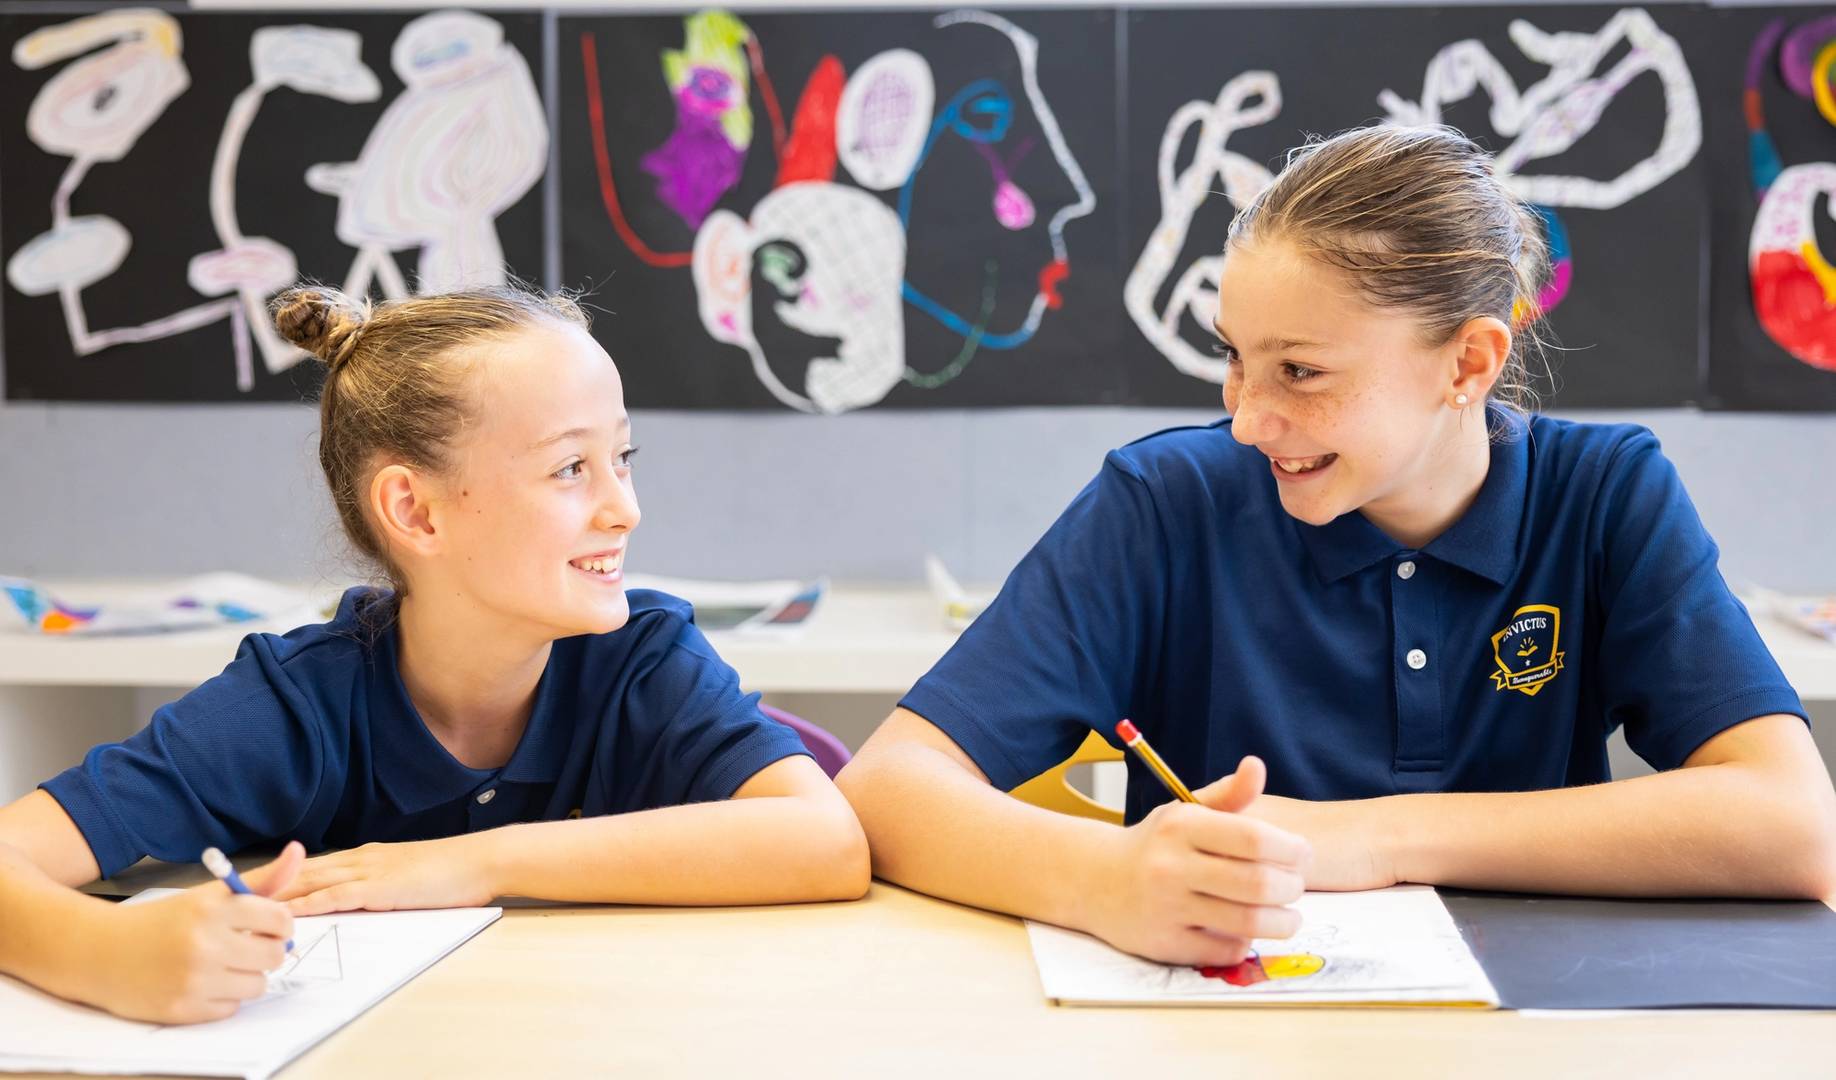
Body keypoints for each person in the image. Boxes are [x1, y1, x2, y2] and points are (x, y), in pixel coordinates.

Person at [837, 125, 1836, 970]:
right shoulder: (1167, 505)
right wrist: (1105, 877)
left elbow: (1792, 825)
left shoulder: (1607, 495)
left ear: (1469, 362)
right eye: (1235, 358)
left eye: (1302, 372)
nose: (1247, 419)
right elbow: (884, 791)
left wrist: (1370, 836)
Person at [0, 283, 868, 1023]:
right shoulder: (294, 706)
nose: (624, 508)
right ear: (415, 512)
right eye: (571, 469)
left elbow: (826, 841)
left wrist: (461, 863)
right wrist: (108, 953)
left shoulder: (643, 660)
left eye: (623, 458)